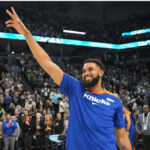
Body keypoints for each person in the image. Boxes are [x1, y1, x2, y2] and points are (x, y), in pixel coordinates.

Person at [5, 7, 132, 150]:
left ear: (101, 72)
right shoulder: (75, 88)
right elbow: (47, 63)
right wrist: (27, 34)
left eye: (91, 69)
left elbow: (122, 138)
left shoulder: (115, 101)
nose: (86, 73)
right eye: (83, 71)